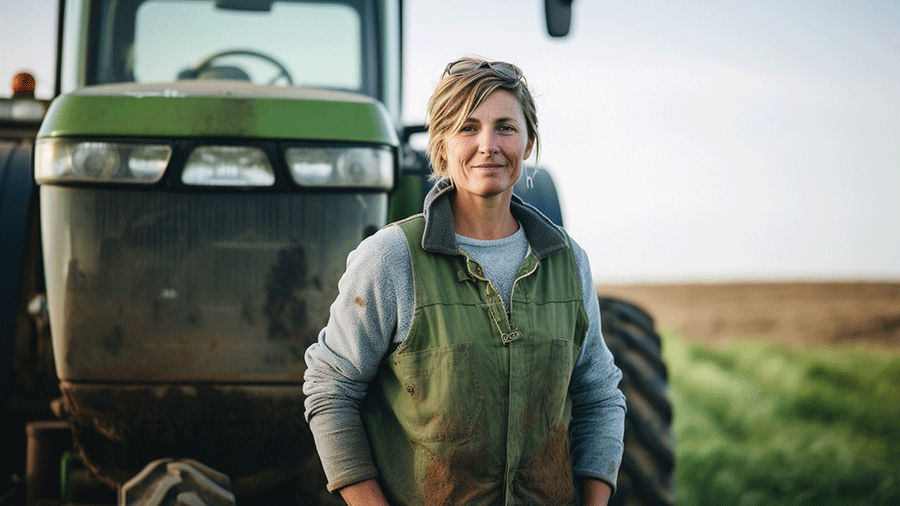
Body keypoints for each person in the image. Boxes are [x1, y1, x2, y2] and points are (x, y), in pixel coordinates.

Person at [303, 56, 626, 506]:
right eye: (467, 127)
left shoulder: (568, 262)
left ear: (528, 142)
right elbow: (331, 389)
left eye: (505, 127)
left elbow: (599, 395)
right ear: (441, 144)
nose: (488, 145)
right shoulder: (391, 258)